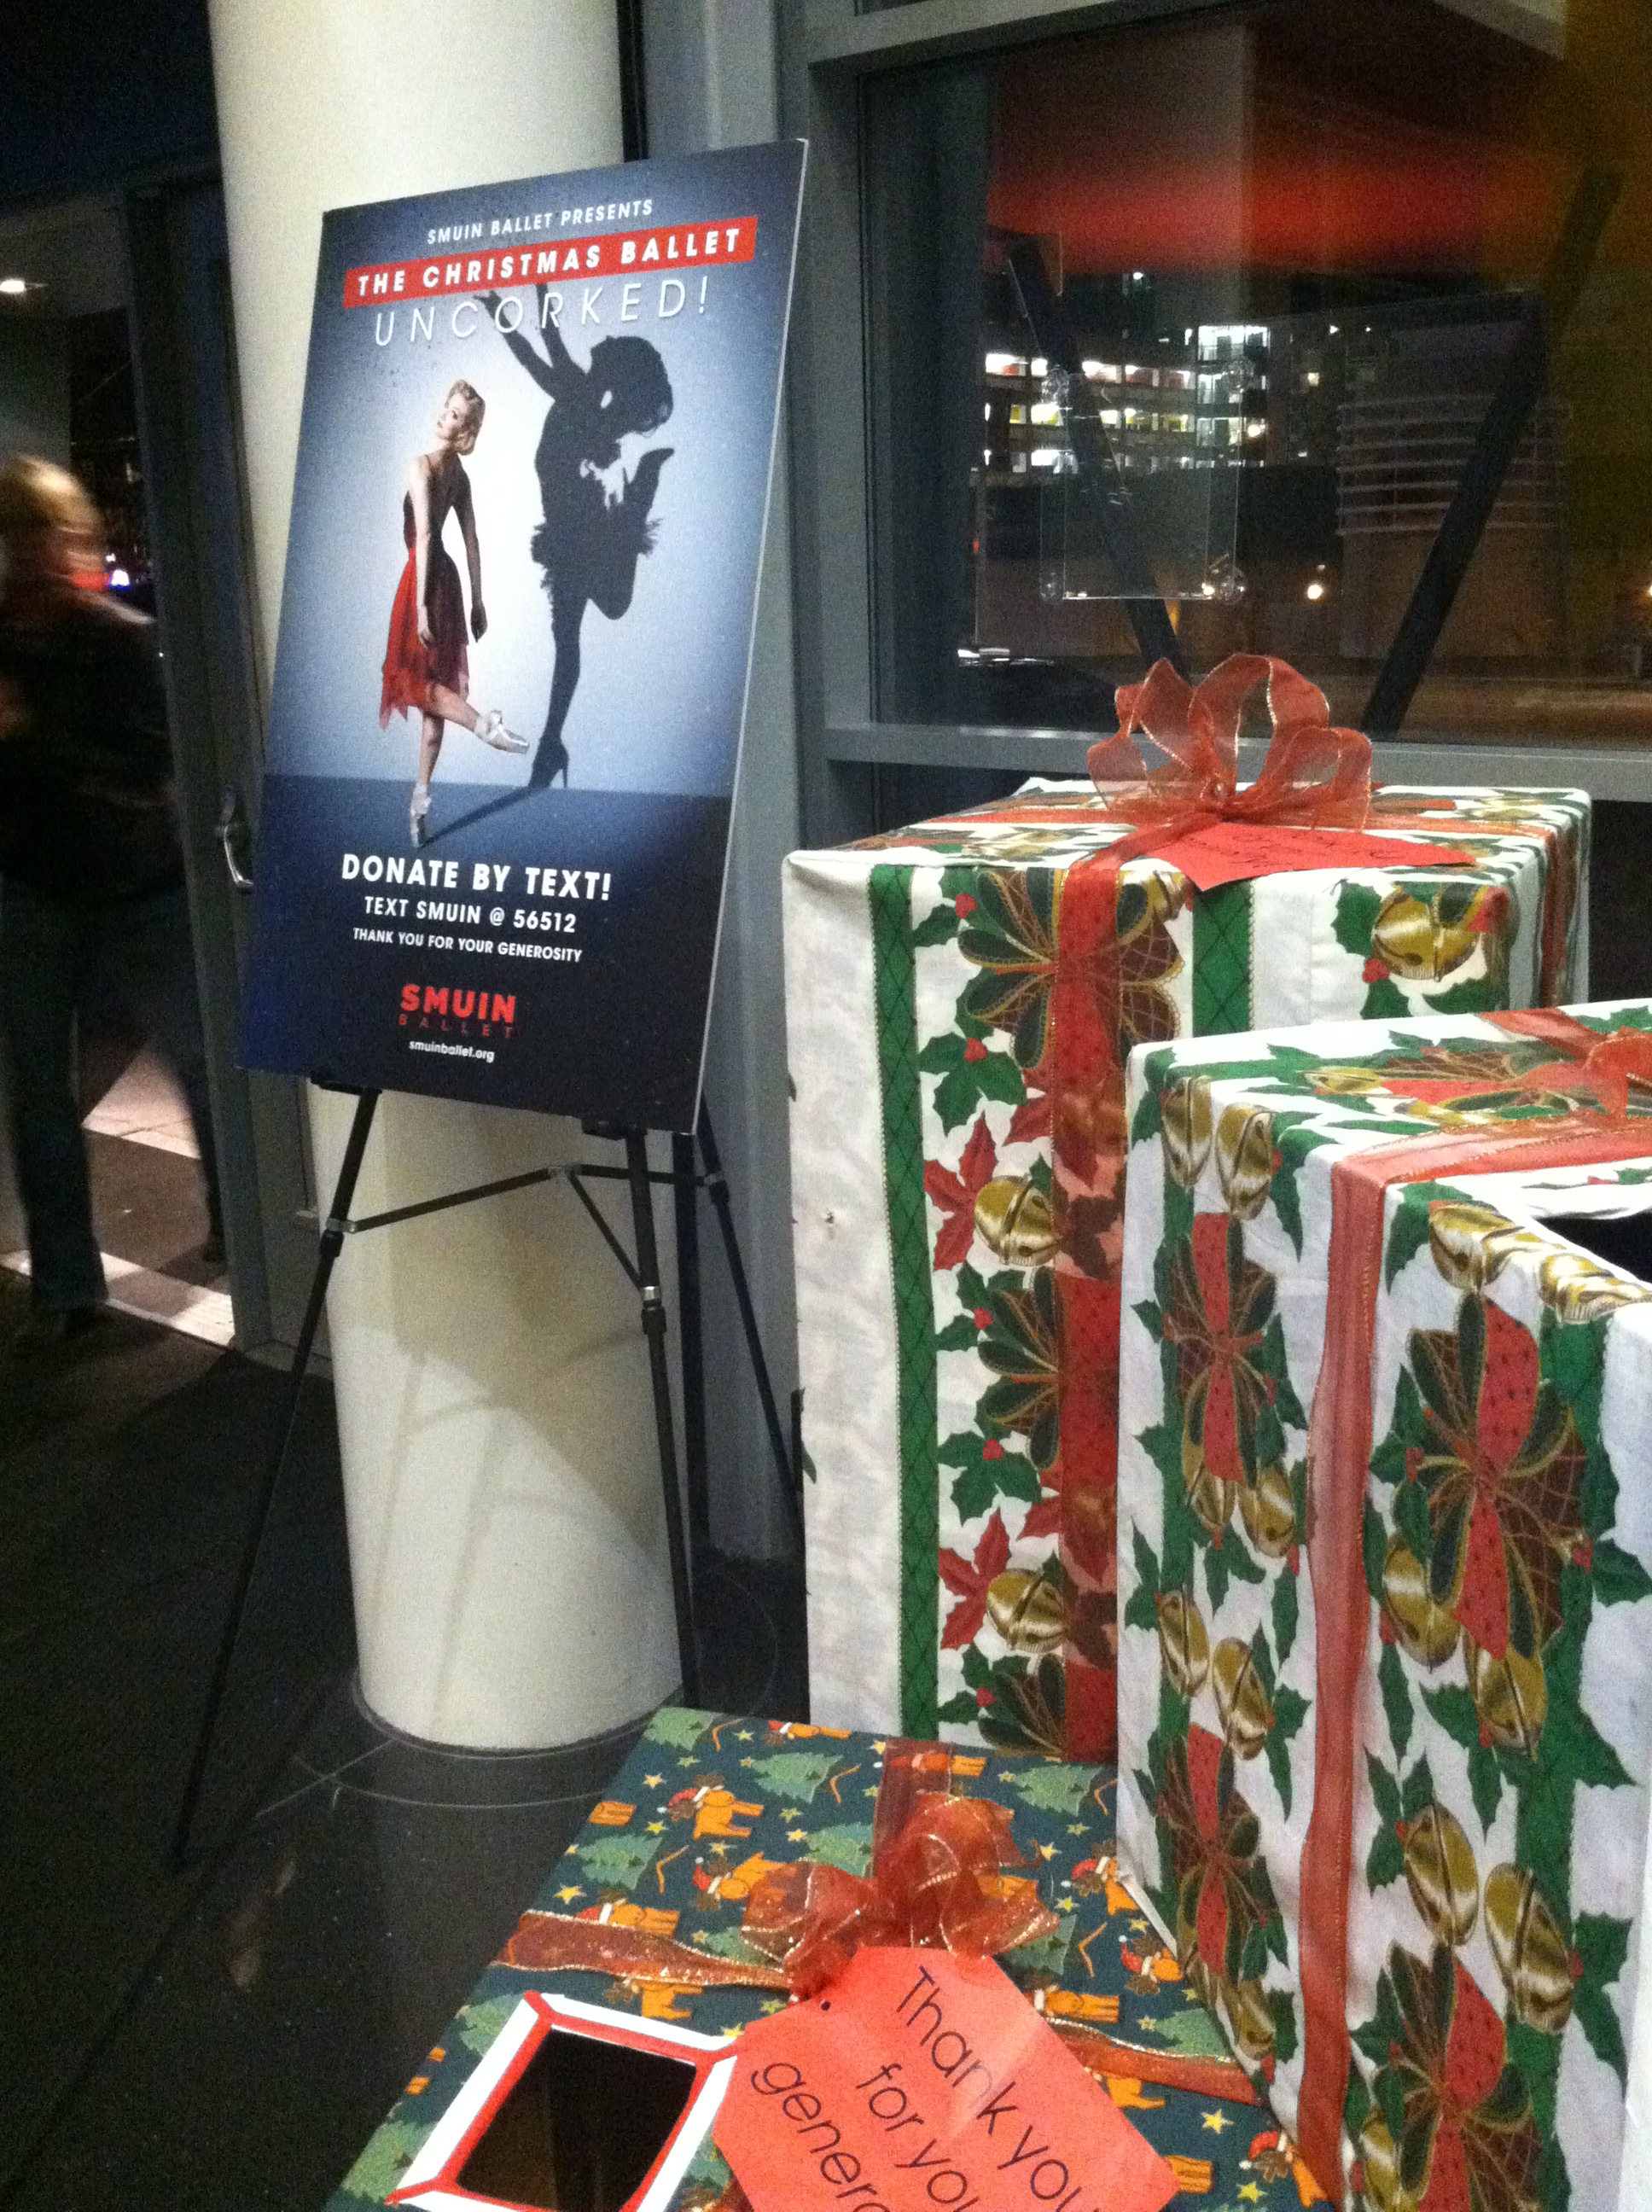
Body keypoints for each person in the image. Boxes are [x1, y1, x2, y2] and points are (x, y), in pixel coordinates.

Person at [0, 454, 223, 1352]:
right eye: (27, 535)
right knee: (39, 1091)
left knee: (198, 1062)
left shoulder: (119, 638)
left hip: (136, 885)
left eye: (54, 532)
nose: (45, 551)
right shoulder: (14, 641)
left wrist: (29, 735)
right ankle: (65, 1282)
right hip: (34, 885)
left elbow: (149, 765)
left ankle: (240, 1224)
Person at [482, 293, 672, 787]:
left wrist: (520, 299)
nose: (602, 338)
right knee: (580, 631)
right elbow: (541, 344)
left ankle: (644, 486)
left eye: (609, 347)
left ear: (613, 373)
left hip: (578, 527)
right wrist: (519, 299)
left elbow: (539, 345)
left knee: (604, 612)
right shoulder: (580, 395)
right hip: (571, 528)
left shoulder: (579, 396)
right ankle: (551, 744)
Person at [379, 378, 525, 844]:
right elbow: (471, 542)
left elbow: (425, 537)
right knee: (430, 707)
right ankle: (419, 805)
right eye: (447, 407)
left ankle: (484, 726)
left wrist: (421, 605)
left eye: (455, 414)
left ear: (464, 431)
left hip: (424, 584)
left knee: (418, 685)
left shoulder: (421, 467)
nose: (445, 416)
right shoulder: (458, 477)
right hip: (447, 582)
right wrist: (477, 600)